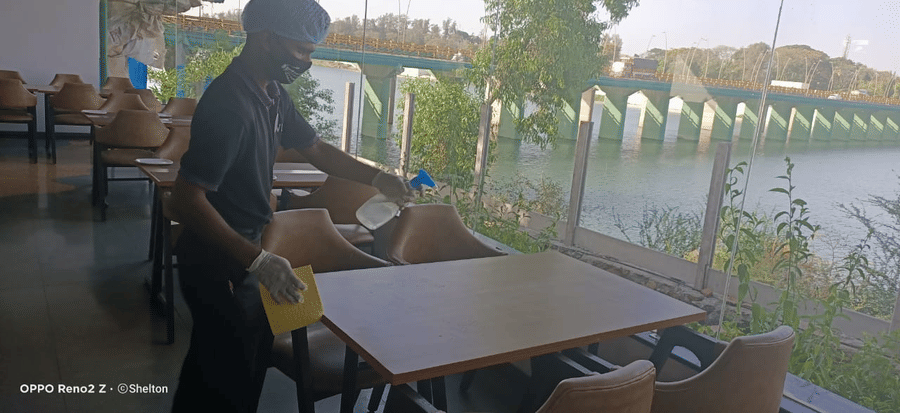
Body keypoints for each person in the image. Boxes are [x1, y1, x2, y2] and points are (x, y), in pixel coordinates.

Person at [167, 0, 412, 411]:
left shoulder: (271, 94)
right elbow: (186, 200)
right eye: (302, 50)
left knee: (231, 367)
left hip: (250, 249)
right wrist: (257, 261)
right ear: (265, 39)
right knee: (225, 378)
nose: (308, 60)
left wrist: (375, 176)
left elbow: (314, 147)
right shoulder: (230, 105)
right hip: (218, 259)